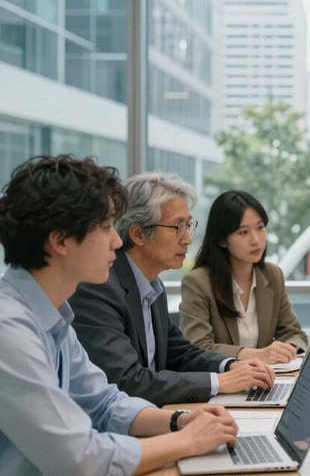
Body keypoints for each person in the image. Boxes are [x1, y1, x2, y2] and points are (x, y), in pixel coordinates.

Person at [0, 156, 238, 476]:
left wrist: (181, 420)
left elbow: (106, 402)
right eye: (106, 227)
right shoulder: (9, 330)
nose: (116, 241)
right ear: (61, 241)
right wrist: (185, 443)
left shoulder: (52, 316)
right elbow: (82, 459)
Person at [70, 172, 274, 406]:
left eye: (188, 225)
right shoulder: (99, 288)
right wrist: (220, 382)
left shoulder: (151, 284)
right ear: (138, 234)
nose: (187, 239)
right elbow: (125, 381)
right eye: (177, 227)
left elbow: (180, 353)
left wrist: (231, 365)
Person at [179, 190, 307, 364]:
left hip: (266, 379)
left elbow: (293, 333)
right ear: (222, 240)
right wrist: (256, 355)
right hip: (222, 384)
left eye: (260, 228)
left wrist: (288, 350)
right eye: (243, 232)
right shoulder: (198, 282)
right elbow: (198, 346)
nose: (256, 240)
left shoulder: (272, 275)